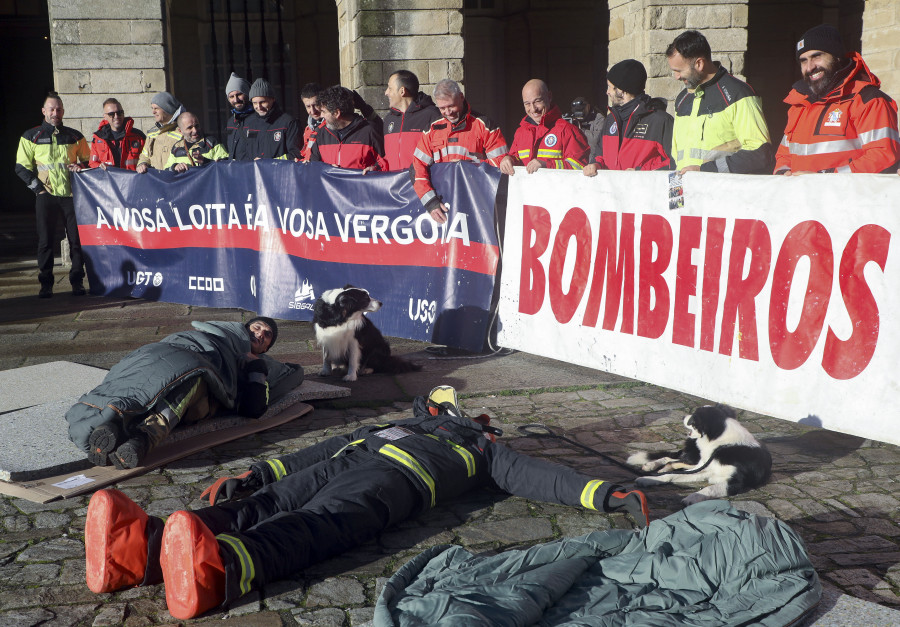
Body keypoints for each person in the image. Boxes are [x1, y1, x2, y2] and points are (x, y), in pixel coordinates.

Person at [83, 385, 650, 619]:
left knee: (314, 525)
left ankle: (219, 570)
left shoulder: (483, 449)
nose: (438, 406)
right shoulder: (397, 423)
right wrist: (258, 471)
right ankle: (139, 548)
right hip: (346, 462)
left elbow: (540, 476)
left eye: (448, 405)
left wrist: (606, 494)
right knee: (263, 503)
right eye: (434, 402)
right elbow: (325, 446)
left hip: (386, 488)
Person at [65, 317, 302, 470]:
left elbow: (255, 407)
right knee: (140, 376)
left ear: (266, 349)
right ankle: (118, 425)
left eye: (267, 334)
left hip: (199, 375)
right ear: (242, 329)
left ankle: (135, 434)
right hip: (166, 350)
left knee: (190, 379)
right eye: (256, 327)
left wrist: (254, 367)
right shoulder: (218, 334)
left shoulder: (260, 364)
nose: (259, 333)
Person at [775, 24, 900, 175]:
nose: (810, 67)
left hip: (848, 197)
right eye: (803, 60)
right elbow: (784, 155)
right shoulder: (799, 105)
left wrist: (826, 178)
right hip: (801, 196)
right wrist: (783, 173)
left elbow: (883, 156)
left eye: (817, 56)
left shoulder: (868, 100)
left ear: (837, 56)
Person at [666, 30, 774, 174]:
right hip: (688, 192)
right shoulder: (682, 99)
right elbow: (676, 157)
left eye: (679, 70)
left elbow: (760, 153)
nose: (676, 77)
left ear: (699, 64)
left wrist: (706, 170)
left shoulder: (738, 93)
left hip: (722, 192)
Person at [15, 92, 90, 298]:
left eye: (58, 109)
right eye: (51, 109)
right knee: (45, 241)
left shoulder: (75, 136)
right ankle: (46, 283)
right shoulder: (31, 136)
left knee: (76, 241)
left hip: (72, 196)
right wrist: (37, 188)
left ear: (63, 111)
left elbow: (88, 162)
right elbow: (21, 167)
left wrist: (80, 167)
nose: (55, 112)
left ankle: (77, 281)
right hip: (45, 196)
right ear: (44, 111)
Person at [412, 79, 508, 224]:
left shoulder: (484, 125)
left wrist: (468, 165)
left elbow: (501, 164)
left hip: (478, 204)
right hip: (442, 206)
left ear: (461, 97)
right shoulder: (431, 129)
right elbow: (417, 167)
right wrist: (431, 203)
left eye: (451, 106)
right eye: (442, 108)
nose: (448, 112)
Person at [583, 59, 674, 174]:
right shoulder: (611, 119)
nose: (607, 92)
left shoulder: (660, 121)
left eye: (610, 87)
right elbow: (599, 154)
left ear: (621, 89)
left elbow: (673, 162)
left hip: (644, 190)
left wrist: (640, 172)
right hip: (612, 190)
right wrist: (595, 164)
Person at [499, 79, 590, 176]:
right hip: (526, 191)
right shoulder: (521, 132)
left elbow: (580, 167)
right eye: (527, 104)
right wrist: (508, 159)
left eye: (537, 101)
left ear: (549, 97)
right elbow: (515, 157)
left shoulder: (568, 131)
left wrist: (548, 165)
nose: (533, 109)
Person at [308, 85, 388, 172]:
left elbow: (387, 161)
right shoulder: (321, 134)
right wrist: (326, 168)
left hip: (360, 185)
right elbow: (314, 165)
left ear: (336, 113)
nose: (321, 115)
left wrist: (375, 169)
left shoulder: (369, 131)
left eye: (323, 111)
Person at [382, 69, 441, 171]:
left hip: (422, 184)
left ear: (402, 91)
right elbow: (389, 157)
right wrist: (377, 167)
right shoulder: (388, 119)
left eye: (390, 88)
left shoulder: (433, 116)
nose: (386, 92)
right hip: (394, 185)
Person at [244, 77, 302, 160]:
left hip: (279, 172)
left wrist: (269, 163)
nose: (259, 107)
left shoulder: (288, 122)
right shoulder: (248, 124)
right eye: (255, 103)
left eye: (262, 102)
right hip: (254, 172)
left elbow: (295, 154)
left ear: (273, 99)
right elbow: (245, 154)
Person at [88, 98, 146, 171]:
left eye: (119, 113)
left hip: (133, 181)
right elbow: (92, 163)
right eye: (111, 114)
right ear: (105, 116)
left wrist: (143, 164)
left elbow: (149, 159)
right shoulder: (98, 139)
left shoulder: (138, 137)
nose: (116, 116)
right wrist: (99, 166)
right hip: (109, 181)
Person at [136, 91, 184, 173]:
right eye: (152, 108)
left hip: (175, 181)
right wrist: (142, 164)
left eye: (156, 108)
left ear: (167, 109)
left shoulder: (183, 131)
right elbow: (144, 156)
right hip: (156, 182)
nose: (153, 112)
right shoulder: (152, 133)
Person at [223, 72, 254, 161]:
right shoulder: (231, 121)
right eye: (231, 96)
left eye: (239, 94)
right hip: (235, 171)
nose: (236, 100)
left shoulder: (258, 118)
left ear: (247, 94)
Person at [299, 82, 323, 161]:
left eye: (315, 105)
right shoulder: (308, 129)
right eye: (308, 106)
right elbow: (306, 155)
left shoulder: (332, 127)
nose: (312, 111)